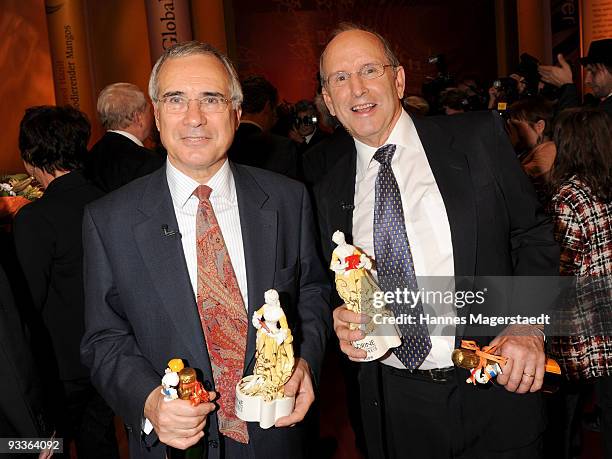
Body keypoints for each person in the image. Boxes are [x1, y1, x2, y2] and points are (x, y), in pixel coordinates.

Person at [313, 24, 559, 458]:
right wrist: (340, 319)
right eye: (340, 78)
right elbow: (327, 286)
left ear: (399, 79)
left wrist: (526, 323)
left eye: (370, 70)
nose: (357, 88)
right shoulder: (325, 187)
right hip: (396, 404)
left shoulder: (477, 139)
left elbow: (531, 234)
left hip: (494, 384)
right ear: (329, 101)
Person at [80, 41, 331, 459]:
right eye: (176, 100)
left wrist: (306, 363)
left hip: (277, 434)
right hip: (174, 446)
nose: (194, 118)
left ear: (235, 113)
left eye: (210, 99)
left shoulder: (288, 200)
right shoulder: (109, 220)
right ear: (156, 114)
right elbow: (104, 338)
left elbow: (312, 294)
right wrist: (149, 401)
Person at [13, 105, 118, 457]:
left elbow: (26, 303)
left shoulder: (36, 218)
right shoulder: (110, 201)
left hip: (58, 369)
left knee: (44, 448)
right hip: (109, 356)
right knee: (100, 444)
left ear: (30, 157)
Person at [547, 108, 612, 459]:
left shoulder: (569, 197)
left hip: (582, 324)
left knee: (564, 411)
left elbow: (562, 266)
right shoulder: (606, 187)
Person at [85, 82, 164, 192]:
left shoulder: (90, 157)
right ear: (138, 117)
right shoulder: (147, 163)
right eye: (149, 111)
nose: (152, 117)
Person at [227, 75, 299, 179]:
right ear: (267, 106)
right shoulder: (282, 147)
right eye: (274, 109)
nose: (275, 116)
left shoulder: (224, 143)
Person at [538, 38, 612, 114]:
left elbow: (570, 124)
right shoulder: (596, 103)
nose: (587, 80)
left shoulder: (607, 111)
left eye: (593, 72)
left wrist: (567, 87)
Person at [507, 96, 556, 202]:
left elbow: (516, 179)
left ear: (539, 126)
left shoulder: (550, 149)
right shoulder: (528, 150)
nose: (514, 131)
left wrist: (509, 142)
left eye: (517, 126)